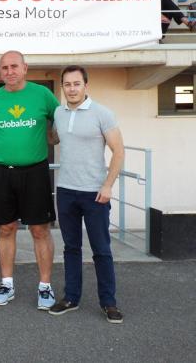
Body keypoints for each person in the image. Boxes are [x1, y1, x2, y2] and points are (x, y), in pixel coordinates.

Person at [0, 50, 59, 310]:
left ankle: (45, 287)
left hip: (35, 171)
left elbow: (63, 122)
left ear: (25, 68)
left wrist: (53, 135)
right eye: (4, 68)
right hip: (2, 173)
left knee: (39, 230)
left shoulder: (43, 95)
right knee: (6, 228)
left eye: (14, 66)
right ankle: (7, 284)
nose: (9, 71)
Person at [48, 65, 125, 324]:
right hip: (66, 190)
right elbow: (56, 139)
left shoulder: (102, 113)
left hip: (95, 193)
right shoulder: (59, 112)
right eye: (67, 84)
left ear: (85, 85)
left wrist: (108, 185)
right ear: (62, 87)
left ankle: (109, 302)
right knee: (71, 248)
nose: (71, 89)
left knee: (101, 250)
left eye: (76, 84)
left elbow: (119, 151)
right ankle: (71, 298)